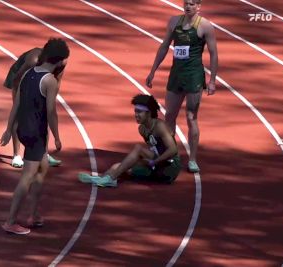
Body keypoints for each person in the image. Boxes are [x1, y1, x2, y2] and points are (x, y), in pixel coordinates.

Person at [0, 38, 70, 234]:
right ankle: (10, 221)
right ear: (61, 61)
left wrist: (8, 129)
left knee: (42, 167)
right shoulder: (50, 81)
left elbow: (16, 104)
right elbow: (51, 112)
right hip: (36, 133)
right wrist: (56, 137)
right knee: (28, 176)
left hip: (23, 128)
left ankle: (33, 214)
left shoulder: (29, 73)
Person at [145, 0, 218, 173]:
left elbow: (214, 54)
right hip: (176, 75)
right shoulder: (173, 22)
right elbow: (164, 47)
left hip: (194, 76)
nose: (188, 6)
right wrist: (153, 70)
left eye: (193, 4)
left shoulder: (205, 26)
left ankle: (192, 159)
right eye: (186, 3)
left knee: (191, 118)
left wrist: (213, 80)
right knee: (170, 115)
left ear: (199, 6)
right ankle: (170, 154)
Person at [78, 95, 181, 187]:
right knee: (119, 166)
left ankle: (110, 179)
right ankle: (102, 178)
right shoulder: (142, 129)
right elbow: (154, 148)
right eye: (135, 111)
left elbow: (173, 149)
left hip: (170, 167)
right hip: (157, 164)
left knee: (138, 149)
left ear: (149, 113)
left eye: (139, 112)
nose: (136, 115)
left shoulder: (160, 126)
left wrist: (154, 161)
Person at [3, 44, 64, 168]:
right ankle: (16, 155)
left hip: (39, 79)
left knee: (44, 113)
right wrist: (19, 101)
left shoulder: (60, 63)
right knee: (20, 113)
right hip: (19, 77)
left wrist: (50, 100)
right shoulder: (33, 60)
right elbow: (17, 79)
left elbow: (57, 82)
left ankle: (44, 154)